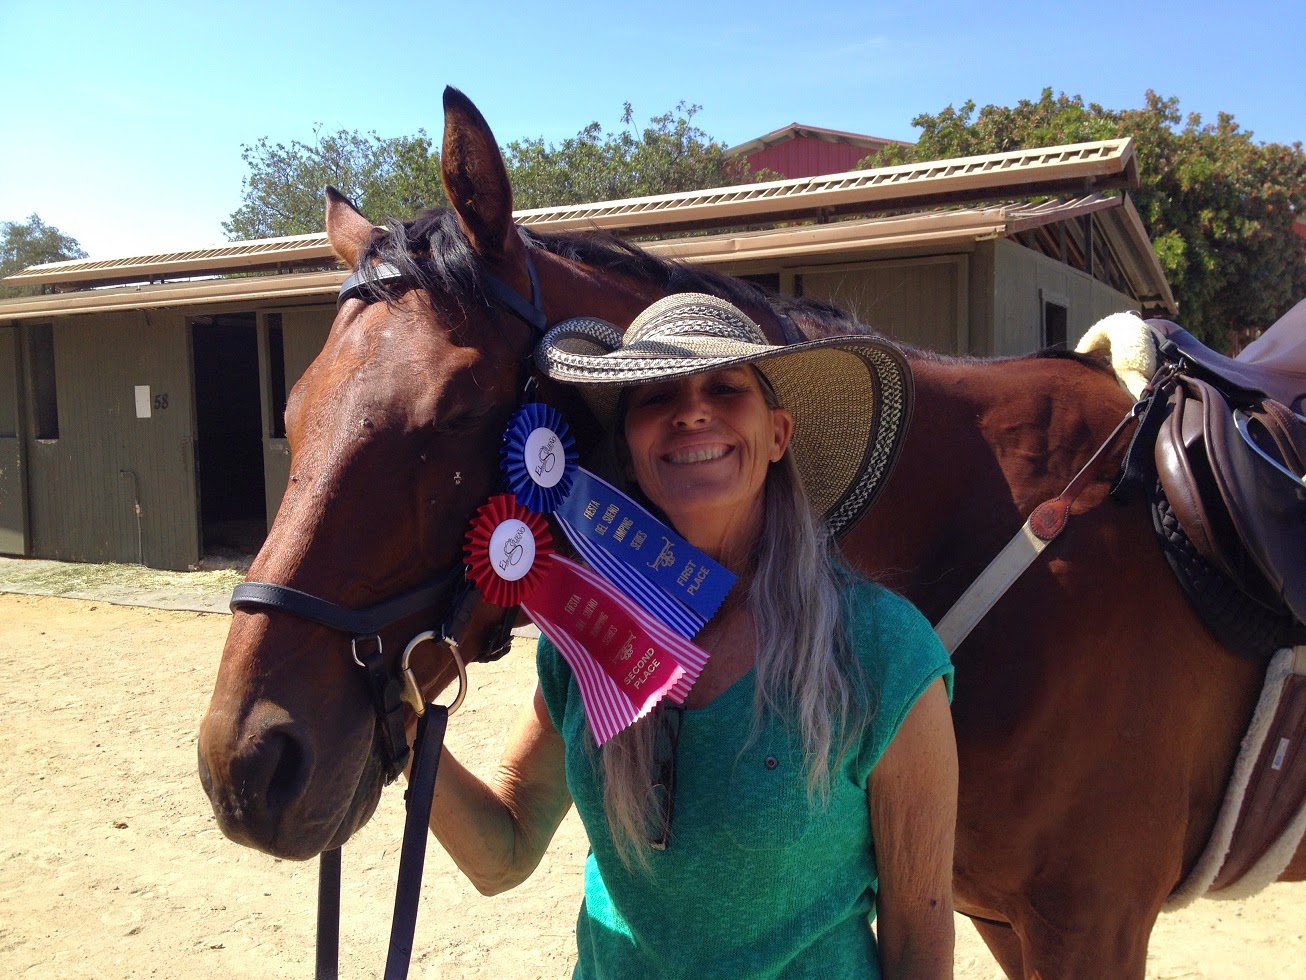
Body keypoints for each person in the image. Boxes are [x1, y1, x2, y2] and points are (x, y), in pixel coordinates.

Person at [418, 293, 958, 979]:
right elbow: (505, 851)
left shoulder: (883, 651)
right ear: (629, 451)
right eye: (658, 395)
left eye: (725, 387)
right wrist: (404, 730)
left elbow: (918, 934)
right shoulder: (584, 635)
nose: (692, 411)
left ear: (778, 435)